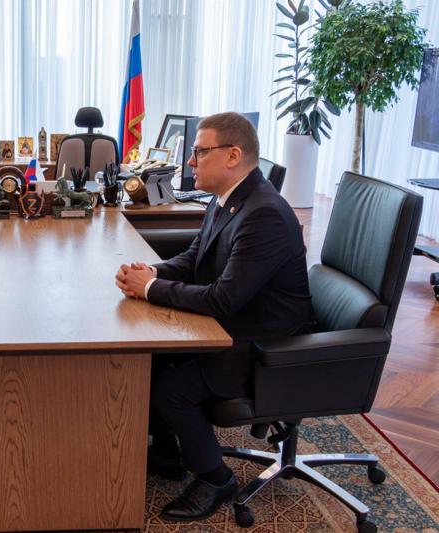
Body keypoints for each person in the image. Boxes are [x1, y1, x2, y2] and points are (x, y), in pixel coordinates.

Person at [115, 112, 312, 522]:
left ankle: (216, 478)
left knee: (172, 388)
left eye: (199, 152)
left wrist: (149, 289)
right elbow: (195, 258)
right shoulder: (229, 197)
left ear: (233, 155)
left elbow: (224, 300)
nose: (190, 161)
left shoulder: (264, 214)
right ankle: (168, 455)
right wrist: (152, 273)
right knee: (150, 358)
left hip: (261, 342)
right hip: (234, 323)